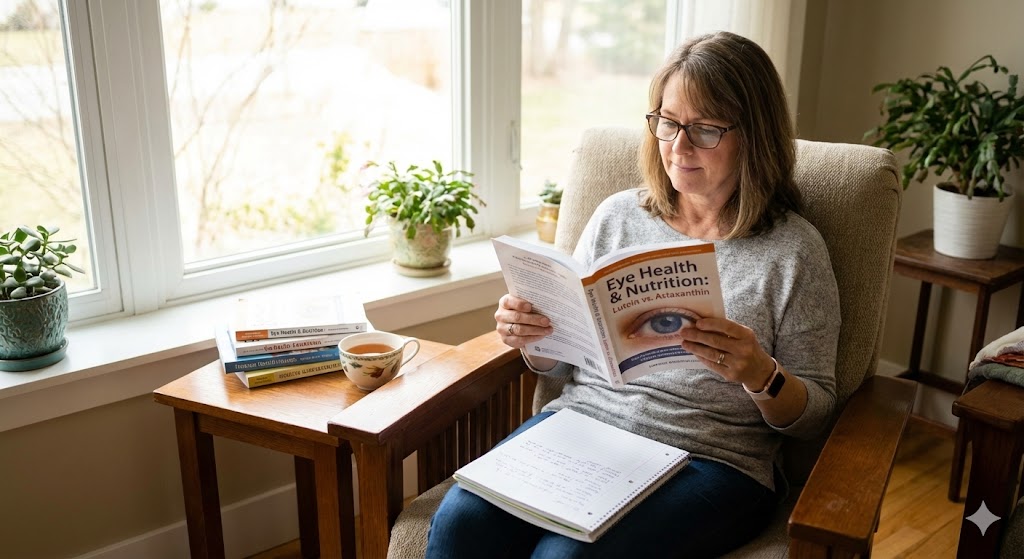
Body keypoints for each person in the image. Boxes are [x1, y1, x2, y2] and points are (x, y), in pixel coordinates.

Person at [426, 30, 841, 559]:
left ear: (754, 135)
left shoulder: (793, 252)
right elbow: (557, 367)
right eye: (667, 122)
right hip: (583, 429)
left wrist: (762, 374)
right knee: (460, 524)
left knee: (565, 557)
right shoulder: (618, 216)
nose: (678, 146)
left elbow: (818, 414)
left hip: (711, 459)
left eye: (705, 129)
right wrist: (532, 337)